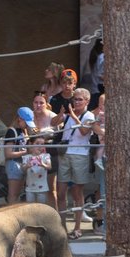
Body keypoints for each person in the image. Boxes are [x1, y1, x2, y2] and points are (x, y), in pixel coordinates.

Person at [56, 87, 95, 239]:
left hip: (80, 155)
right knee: (60, 192)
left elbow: (84, 132)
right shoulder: (68, 115)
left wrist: (74, 116)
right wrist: (61, 114)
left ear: (87, 101)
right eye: (75, 99)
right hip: (65, 154)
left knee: (77, 192)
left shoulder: (89, 115)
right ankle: (62, 226)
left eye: (79, 99)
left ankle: (77, 228)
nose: (76, 102)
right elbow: (54, 123)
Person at [1, 107, 32, 204]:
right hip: (13, 165)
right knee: (13, 194)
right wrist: (26, 152)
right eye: (26, 122)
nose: (27, 125)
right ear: (19, 119)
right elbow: (8, 153)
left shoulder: (23, 131)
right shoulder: (11, 131)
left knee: (18, 194)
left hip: (22, 164)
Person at [21, 135, 51, 205]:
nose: (40, 146)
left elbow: (49, 167)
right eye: (37, 143)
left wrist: (43, 164)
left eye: (42, 144)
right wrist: (27, 166)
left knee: (42, 207)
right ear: (31, 144)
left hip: (42, 188)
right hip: (29, 188)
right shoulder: (26, 157)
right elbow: (22, 169)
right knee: (30, 207)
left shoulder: (46, 156)